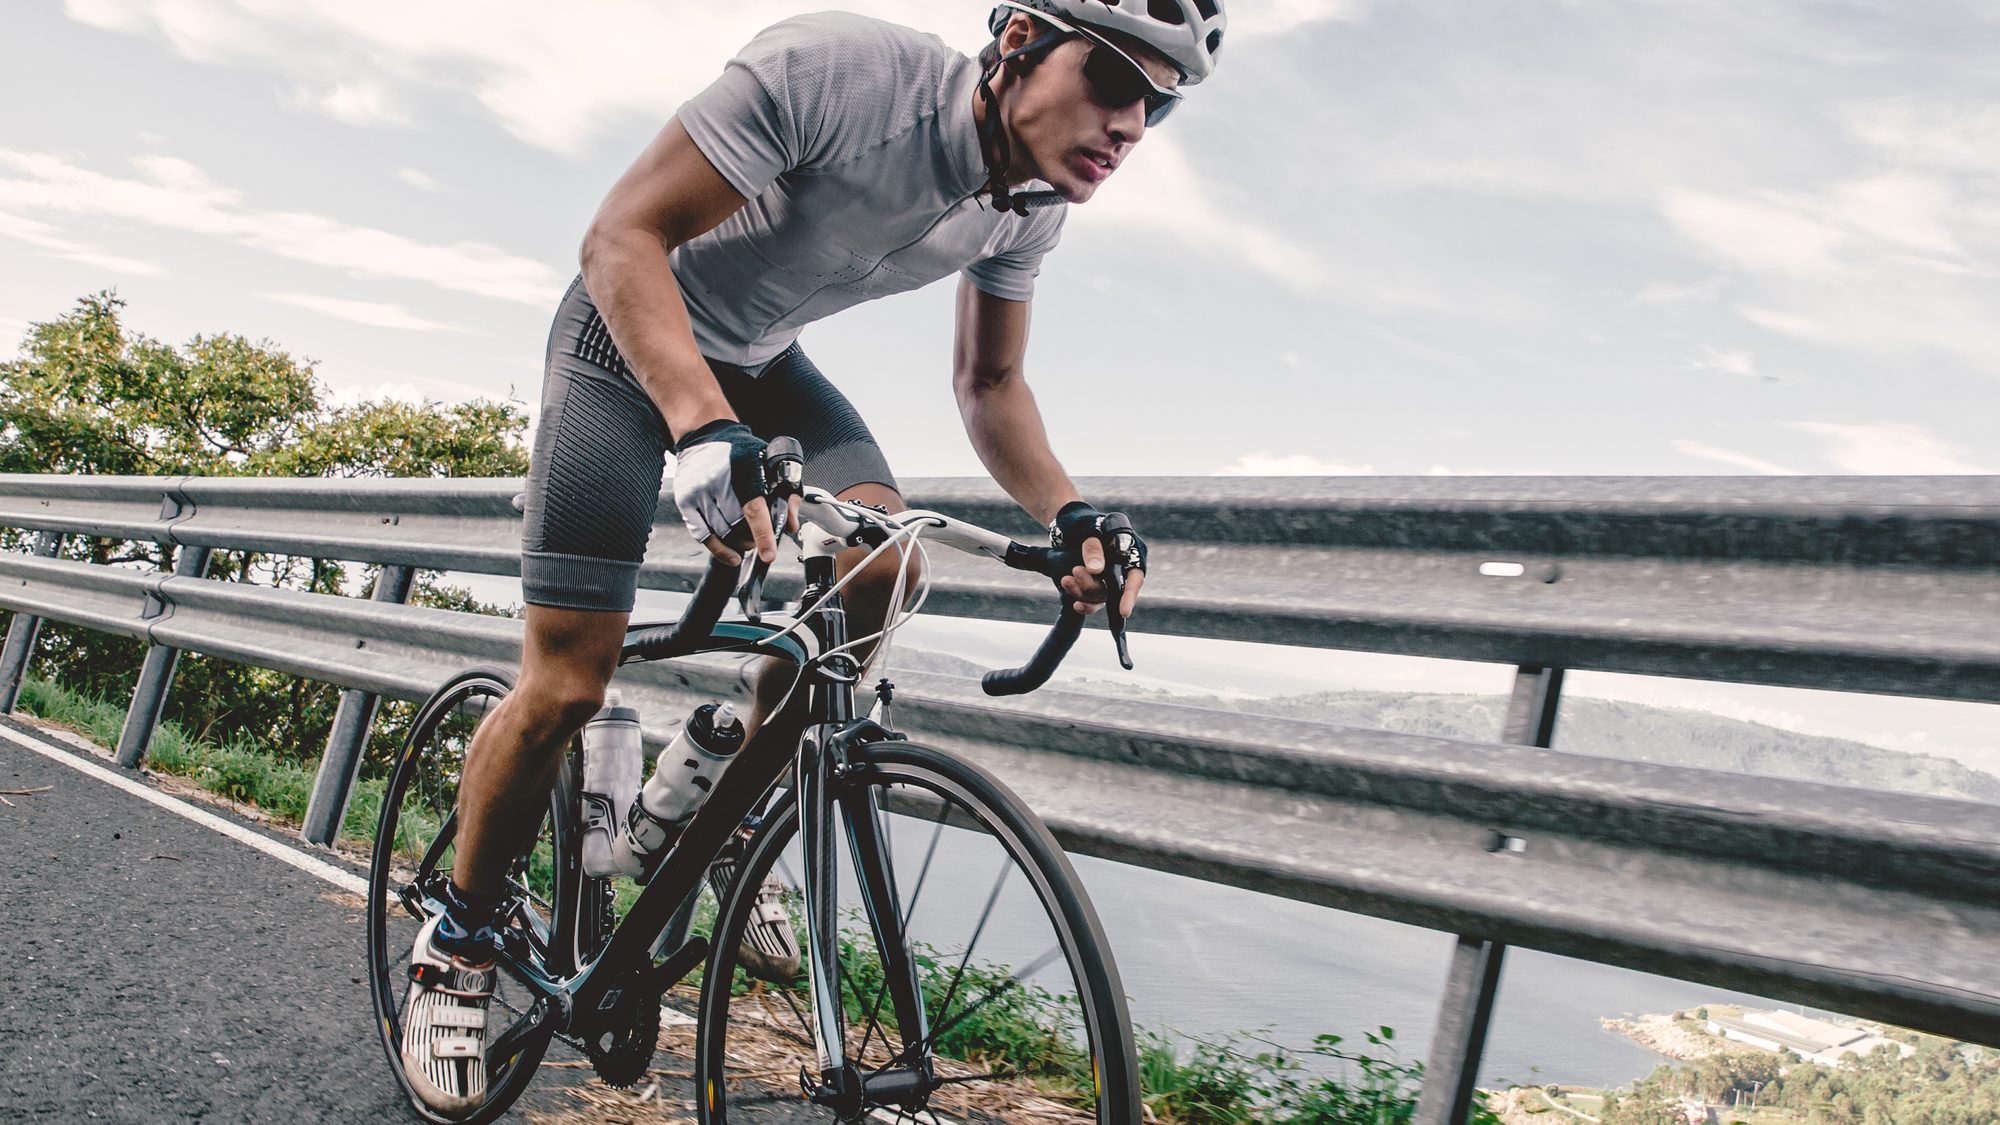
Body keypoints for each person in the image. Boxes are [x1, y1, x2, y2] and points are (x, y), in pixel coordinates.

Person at [397, 0, 1225, 1113]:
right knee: (568, 681)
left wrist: (1069, 513)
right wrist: (695, 425)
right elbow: (618, 238)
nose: (1131, 123)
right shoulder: (837, 72)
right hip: (624, 336)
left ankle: (720, 778)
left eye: (1160, 106)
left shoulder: (1027, 204)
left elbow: (988, 386)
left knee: (884, 570)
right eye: (1119, 79)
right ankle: (453, 943)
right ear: (1021, 38)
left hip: (760, 363)